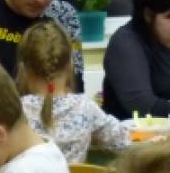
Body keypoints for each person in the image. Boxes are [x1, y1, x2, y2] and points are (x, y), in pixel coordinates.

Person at [16, 20, 130, 163]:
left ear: (24, 69)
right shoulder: (85, 107)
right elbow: (123, 142)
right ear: (70, 65)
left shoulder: (15, 112)